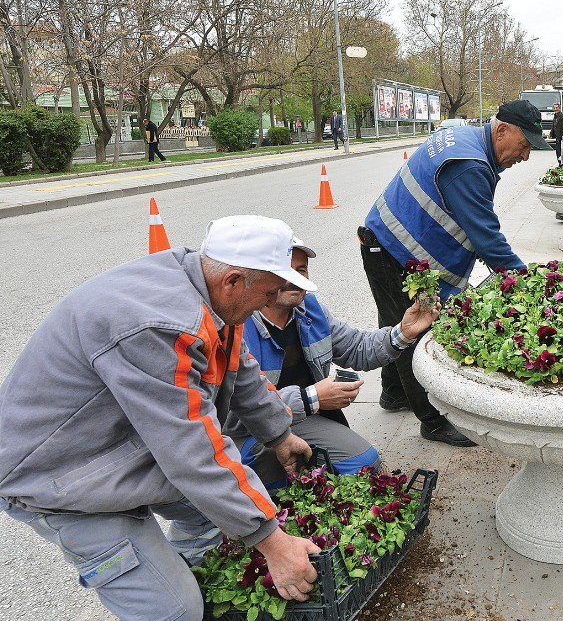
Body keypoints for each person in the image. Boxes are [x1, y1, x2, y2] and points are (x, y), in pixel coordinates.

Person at [0, 216, 324, 619]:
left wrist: (279, 435)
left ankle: (177, 568)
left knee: (216, 521)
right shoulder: (162, 326)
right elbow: (191, 450)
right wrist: (274, 545)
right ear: (234, 281)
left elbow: (238, 367)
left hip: (129, 445)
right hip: (61, 476)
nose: (273, 301)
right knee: (176, 610)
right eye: (271, 291)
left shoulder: (210, 291)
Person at [359, 99, 551, 446]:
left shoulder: (465, 140)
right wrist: (529, 282)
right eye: (524, 146)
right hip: (394, 251)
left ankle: (393, 394)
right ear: (502, 130)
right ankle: (432, 421)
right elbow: (487, 238)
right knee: (413, 332)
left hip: (386, 244)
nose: (524, 157)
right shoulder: (469, 165)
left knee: (392, 320)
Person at [238, 239, 440, 478]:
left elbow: (357, 347)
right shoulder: (240, 326)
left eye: (301, 269)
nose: (294, 277)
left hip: (298, 418)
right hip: (249, 431)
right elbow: (237, 414)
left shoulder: (310, 310)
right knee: (274, 477)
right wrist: (311, 398)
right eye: (285, 269)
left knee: (364, 463)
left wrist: (404, 332)